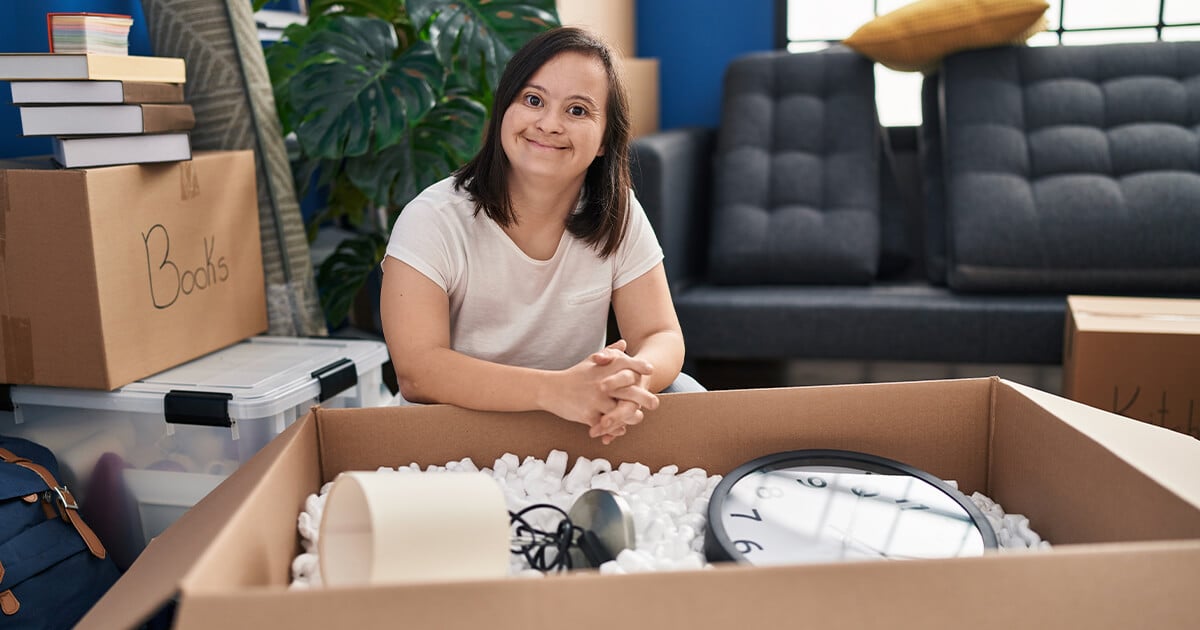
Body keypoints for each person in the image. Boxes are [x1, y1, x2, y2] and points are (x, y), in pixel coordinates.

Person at [379, 26, 700, 445]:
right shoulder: (432, 218)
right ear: (503, 112)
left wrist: (625, 382)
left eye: (578, 111)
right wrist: (556, 391)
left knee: (685, 392)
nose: (549, 124)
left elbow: (661, 335)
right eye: (533, 100)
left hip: (578, 425)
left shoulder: (617, 212)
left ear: (605, 140)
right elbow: (418, 371)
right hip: (455, 428)